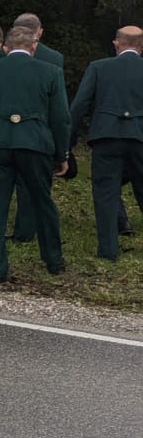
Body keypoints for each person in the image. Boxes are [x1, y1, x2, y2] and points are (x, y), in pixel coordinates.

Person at [0, 24, 68, 284]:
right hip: (35, 144)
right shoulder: (51, 72)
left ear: (6, 47)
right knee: (42, 202)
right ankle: (53, 259)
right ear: (33, 47)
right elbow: (60, 117)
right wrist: (61, 154)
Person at [65, 25, 143, 261]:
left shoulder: (99, 67)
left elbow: (79, 106)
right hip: (139, 135)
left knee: (105, 192)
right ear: (141, 46)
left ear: (116, 43)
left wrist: (67, 144)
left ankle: (108, 249)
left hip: (106, 135)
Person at [8, 13, 64, 243]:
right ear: (39, 32)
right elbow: (57, 105)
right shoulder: (54, 59)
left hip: (5, 125)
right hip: (38, 127)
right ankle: (30, 228)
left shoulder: (2, 55)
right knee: (36, 183)